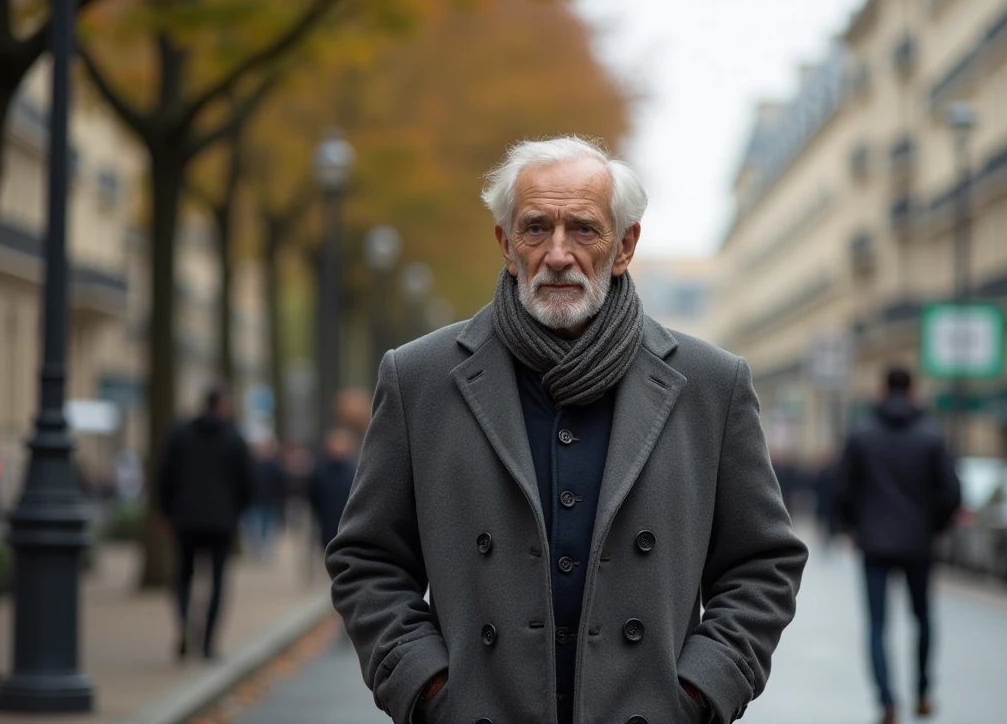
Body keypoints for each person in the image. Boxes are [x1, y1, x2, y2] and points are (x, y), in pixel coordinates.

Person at [326, 136, 807, 724]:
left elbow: (764, 562)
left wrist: (701, 692)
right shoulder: (420, 377)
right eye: (535, 228)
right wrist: (427, 688)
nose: (558, 254)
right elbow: (367, 559)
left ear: (624, 245)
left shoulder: (712, 383)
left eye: (583, 229)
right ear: (506, 244)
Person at [836, 367, 960, 724]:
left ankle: (887, 702)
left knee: (877, 625)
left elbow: (843, 488)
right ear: (914, 390)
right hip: (919, 543)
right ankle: (922, 693)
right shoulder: (932, 435)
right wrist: (934, 527)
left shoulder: (862, 434)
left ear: (881, 389)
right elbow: (951, 492)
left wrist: (852, 526)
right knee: (922, 618)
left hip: (874, 541)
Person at [159, 385, 253, 661]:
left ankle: (185, 629)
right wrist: (236, 512)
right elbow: (248, 482)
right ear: (223, 405)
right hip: (221, 522)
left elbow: (164, 476)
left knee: (184, 577)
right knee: (217, 582)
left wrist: (167, 512)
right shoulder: (234, 438)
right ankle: (209, 643)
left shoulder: (180, 434)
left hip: (185, 519)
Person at [308, 428, 357, 550]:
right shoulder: (320, 470)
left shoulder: (354, 470)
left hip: (348, 520)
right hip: (327, 519)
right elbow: (313, 494)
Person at [244, 438, 288, 559]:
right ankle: (258, 551)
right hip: (255, 502)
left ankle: (265, 552)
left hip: (271, 503)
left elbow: (281, 486)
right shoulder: (251, 466)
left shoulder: (275, 467)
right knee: (255, 529)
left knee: (268, 530)